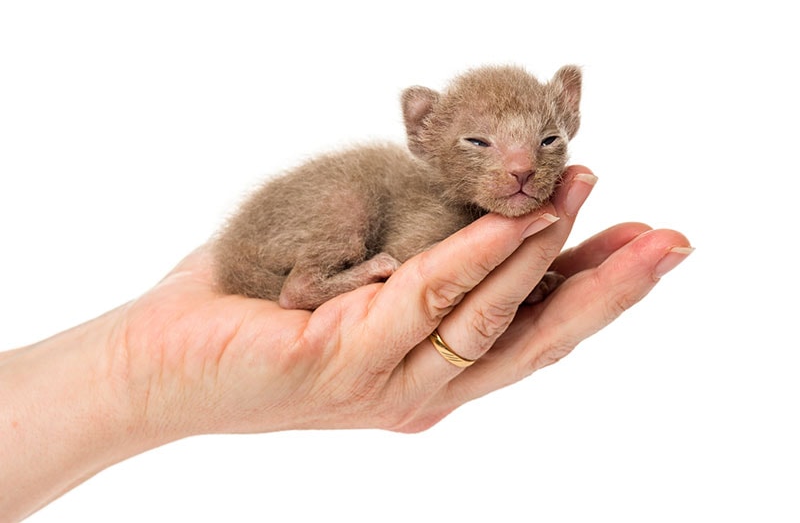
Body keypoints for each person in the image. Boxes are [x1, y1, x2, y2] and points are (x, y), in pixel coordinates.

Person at [0, 166, 691, 520]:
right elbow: (421, 247)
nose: (518, 169)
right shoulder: (426, 199)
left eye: (543, 144)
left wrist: (135, 370)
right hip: (297, 251)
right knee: (350, 210)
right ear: (430, 135)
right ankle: (311, 280)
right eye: (480, 144)